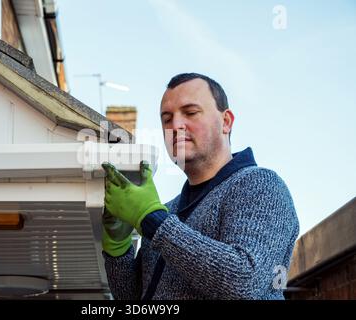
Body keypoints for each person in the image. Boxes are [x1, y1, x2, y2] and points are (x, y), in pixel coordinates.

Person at [101, 73, 299, 299]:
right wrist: (117, 249)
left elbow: (245, 282)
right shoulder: (169, 209)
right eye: (166, 118)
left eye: (191, 113)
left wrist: (152, 220)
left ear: (226, 122)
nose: (175, 125)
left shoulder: (262, 185)